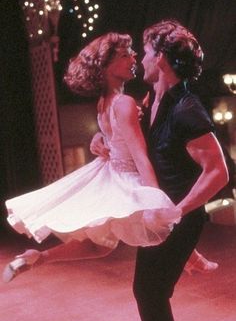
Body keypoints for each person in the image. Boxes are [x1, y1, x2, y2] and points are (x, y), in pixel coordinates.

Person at [2, 32, 181, 283]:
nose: (133, 57)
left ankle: (38, 257)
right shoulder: (123, 103)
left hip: (112, 173)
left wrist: (100, 138)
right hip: (126, 179)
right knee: (161, 226)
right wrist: (155, 199)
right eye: (124, 55)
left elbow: (115, 135)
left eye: (131, 52)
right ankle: (194, 259)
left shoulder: (104, 103)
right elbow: (140, 157)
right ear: (106, 67)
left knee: (101, 246)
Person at [131, 20, 229, 321]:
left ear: (159, 58)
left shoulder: (187, 109)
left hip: (180, 219)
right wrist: (101, 140)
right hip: (163, 217)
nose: (140, 59)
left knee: (150, 291)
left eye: (145, 52)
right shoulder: (153, 101)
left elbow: (218, 171)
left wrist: (179, 209)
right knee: (149, 291)